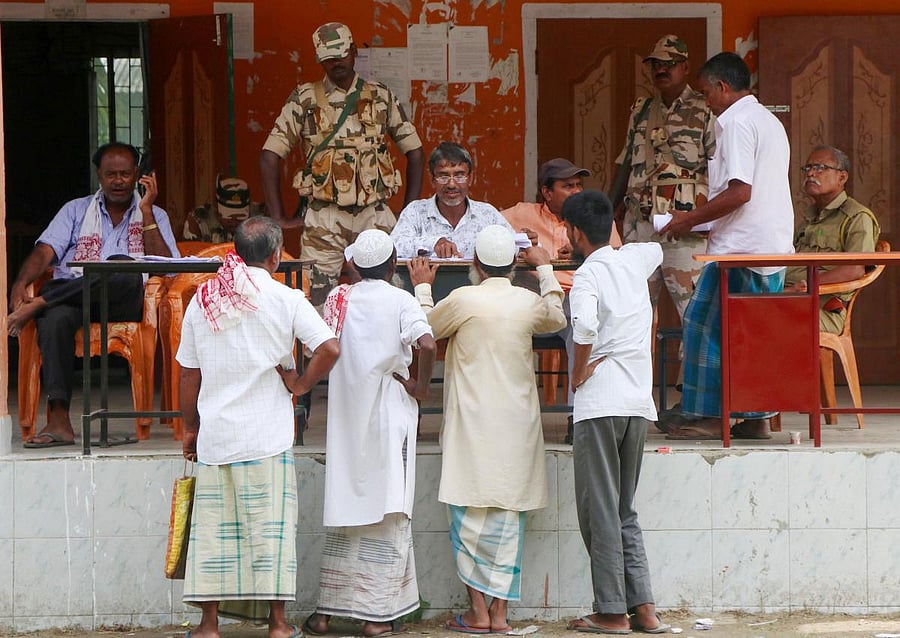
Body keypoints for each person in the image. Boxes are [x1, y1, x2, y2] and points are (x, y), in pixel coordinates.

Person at [178, 216, 340, 638]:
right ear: (276, 254)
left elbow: (188, 374)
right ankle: (279, 624)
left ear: (235, 252)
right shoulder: (286, 298)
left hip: (217, 436)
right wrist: (300, 385)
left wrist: (190, 429)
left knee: (213, 536)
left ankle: (208, 625)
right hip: (267, 436)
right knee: (272, 533)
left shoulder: (203, 299)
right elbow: (329, 348)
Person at [408, 225, 566, 633]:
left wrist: (423, 287)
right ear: (514, 264)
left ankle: (478, 612)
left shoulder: (463, 299)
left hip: (472, 426)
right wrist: (546, 268)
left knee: (468, 514)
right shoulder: (527, 301)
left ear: (474, 265)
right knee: (509, 517)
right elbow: (556, 315)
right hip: (517, 426)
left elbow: (424, 327)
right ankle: (498, 615)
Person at [302, 229, 436, 638]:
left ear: (354, 265)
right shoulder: (402, 300)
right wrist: (422, 388)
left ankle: (327, 613)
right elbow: (427, 344)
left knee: (347, 500)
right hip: (389, 407)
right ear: (394, 266)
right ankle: (376, 618)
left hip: (347, 412)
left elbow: (315, 349)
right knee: (389, 504)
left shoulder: (338, 302)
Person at [7, 141, 179, 448]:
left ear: (137, 175)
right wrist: (20, 283)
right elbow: (45, 252)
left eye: (125, 174)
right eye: (110, 174)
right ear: (99, 175)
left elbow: (167, 269)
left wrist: (147, 211)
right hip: (75, 301)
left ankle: (44, 300)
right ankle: (59, 420)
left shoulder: (154, 215)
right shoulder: (75, 211)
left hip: (124, 300)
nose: (118, 181)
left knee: (121, 269)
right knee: (56, 318)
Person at [659, 52, 794, 441]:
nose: (706, 102)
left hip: (742, 250)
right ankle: (756, 417)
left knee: (706, 326)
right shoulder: (768, 120)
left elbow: (740, 192)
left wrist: (687, 219)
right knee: (754, 334)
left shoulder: (734, 123)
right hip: (768, 244)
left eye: (706, 93)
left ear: (722, 87)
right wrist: (711, 223)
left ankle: (710, 416)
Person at [561, 190, 668, 636]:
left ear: (574, 233)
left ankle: (610, 613)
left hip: (600, 402)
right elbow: (657, 246)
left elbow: (584, 326)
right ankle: (644, 609)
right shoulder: (634, 261)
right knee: (624, 507)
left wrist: (578, 371)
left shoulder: (587, 276)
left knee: (600, 510)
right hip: (636, 403)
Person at [260, 22, 425, 307]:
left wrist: (408, 213)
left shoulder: (380, 96)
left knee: (384, 301)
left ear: (354, 51)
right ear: (320, 59)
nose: (336, 62)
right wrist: (279, 218)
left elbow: (416, 152)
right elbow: (269, 156)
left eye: (341, 54)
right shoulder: (306, 99)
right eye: (329, 57)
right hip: (325, 218)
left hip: (374, 217)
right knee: (314, 304)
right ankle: (318, 354)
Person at [502, 158, 623, 443]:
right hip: (534, 299)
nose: (576, 191)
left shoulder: (595, 219)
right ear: (546, 192)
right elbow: (485, 232)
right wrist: (514, 239)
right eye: (567, 186)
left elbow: (613, 263)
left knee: (584, 321)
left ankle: (579, 416)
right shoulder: (521, 213)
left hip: (578, 298)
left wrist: (586, 252)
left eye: (579, 185)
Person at [611, 35, 715, 323]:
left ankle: (691, 371)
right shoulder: (642, 110)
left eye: (669, 63)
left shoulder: (705, 107)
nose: (662, 69)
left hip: (683, 228)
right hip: (640, 226)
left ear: (685, 67)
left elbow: (719, 168)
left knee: (694, 317)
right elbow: (626, 163)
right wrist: (611, 210)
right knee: (633, 319)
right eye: (656, 63)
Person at [784, 145, 880, 334]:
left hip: (823, 309)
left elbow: (854, 268)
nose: (811, 173)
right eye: (807, 168)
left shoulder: (856, 217)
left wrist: (807, 286)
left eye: (820, 168)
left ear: (842, 177)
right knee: (738, 310)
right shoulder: (809, 218)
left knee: (766, 320)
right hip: (789, 298)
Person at [392, 142, 514, 259]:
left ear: (470, 178)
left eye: (459, 176)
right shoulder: (416, 212)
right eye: (443, 176)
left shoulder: (487, 214)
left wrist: (526, 242)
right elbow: (394, 246)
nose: (451, 184)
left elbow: (513, 244)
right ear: (432, 179)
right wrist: (433, 243)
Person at [183, 175, 263, 244]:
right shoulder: (198, 218)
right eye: (229, 215)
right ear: (216, 207)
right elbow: (190, 255)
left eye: (240, 216)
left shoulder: (261, 219)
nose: (234, 221)